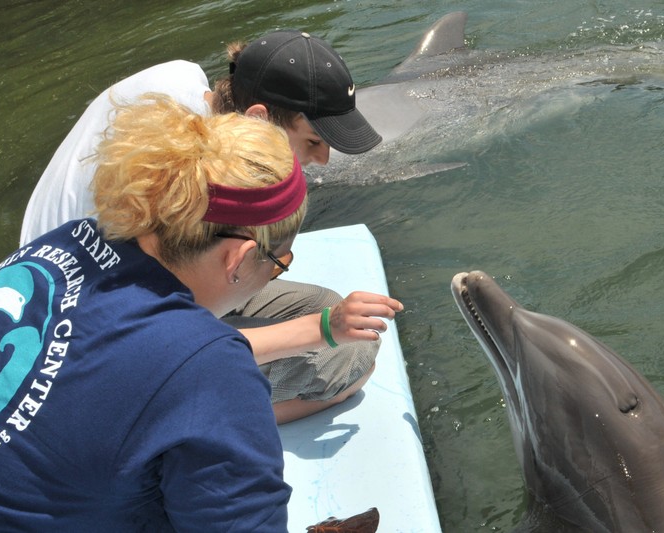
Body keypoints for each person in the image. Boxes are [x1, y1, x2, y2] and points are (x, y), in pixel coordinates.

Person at [0, 96, 304, 530]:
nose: (276, 273)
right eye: (279, 262)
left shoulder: (65, 240)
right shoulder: (208, 364)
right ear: (239, 259)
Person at [20, 30, 392, 424]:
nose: (323, 160)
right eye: (313, 141)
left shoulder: (178, 87)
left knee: (321, 301)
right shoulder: (186, 184)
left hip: (46, 276)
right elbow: (154, 345)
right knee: (350, 364)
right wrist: (323, 331)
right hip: (73, 353)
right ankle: (189, 423)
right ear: (259, 119)